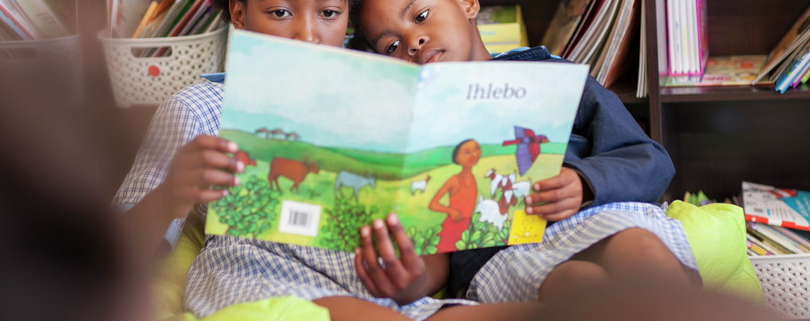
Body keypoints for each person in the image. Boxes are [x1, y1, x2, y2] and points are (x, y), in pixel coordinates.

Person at [114, 0, 550, 320]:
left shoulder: (380, 92)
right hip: (268, 278)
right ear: (240, 14)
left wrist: (412, 274)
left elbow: (424, 235)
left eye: (328, 13)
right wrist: (169, 195)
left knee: (554, 309)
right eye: (280, 12)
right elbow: (108, 253)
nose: (307, 35)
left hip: (376, 283)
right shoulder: (201, 106)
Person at [351, 0, 699, 303]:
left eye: (421, 16)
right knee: (576, 284)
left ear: (467, 3)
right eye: (391, 46)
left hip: (598, 216)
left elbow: (649, 159)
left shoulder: (554, 77)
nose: (413, 42)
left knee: (642, 250)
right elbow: (431, 235)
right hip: (501, 257)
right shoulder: (414, 133)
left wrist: (585, 183)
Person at [429, 139, 481, 252]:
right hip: (453, 226)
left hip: (467, 225)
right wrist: (451, 211)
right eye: (467, 152)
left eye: (477, 148)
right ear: (457, 159)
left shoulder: (473, 178)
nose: (474, 154)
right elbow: (433, 204)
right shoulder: (455, 180)